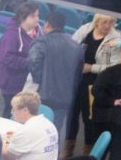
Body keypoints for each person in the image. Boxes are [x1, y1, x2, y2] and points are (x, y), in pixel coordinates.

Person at [27, 12, 83, 140]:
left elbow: (33, 62)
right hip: (65, 97)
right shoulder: (76, 46)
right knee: (53, 132)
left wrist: (39, 80)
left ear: (47, 24)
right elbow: (79, 73)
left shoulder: (41, 41)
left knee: (36, 131)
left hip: (43, 95)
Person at [68, 13, 120, 147]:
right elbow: (71, 46)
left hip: (95, 84)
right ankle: (68, 147)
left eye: (111, 23)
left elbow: (114, 67)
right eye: (104, 22)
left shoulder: (116, 40)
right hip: (75, 80)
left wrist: (92, 68)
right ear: (96, 22)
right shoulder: (84, 30)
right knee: (71, 114)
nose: (108, 26)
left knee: (89, 118)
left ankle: (89, 150)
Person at [2, 90, 61, 160]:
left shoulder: (26, 131)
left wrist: (5, 141)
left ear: (25, 110)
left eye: (14, 109)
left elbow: (7, 156)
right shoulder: (49, 125)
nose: (12, 112)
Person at [0, 3, 41, 115]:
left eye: (38, 16)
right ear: (23, 17)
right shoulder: (12, 35)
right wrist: (30, 63)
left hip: (24, 82)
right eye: (33, 16)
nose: (37, 19)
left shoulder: (38, 32)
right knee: (11, 112)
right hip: (11, 82)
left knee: (19, 112)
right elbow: (8, 58)